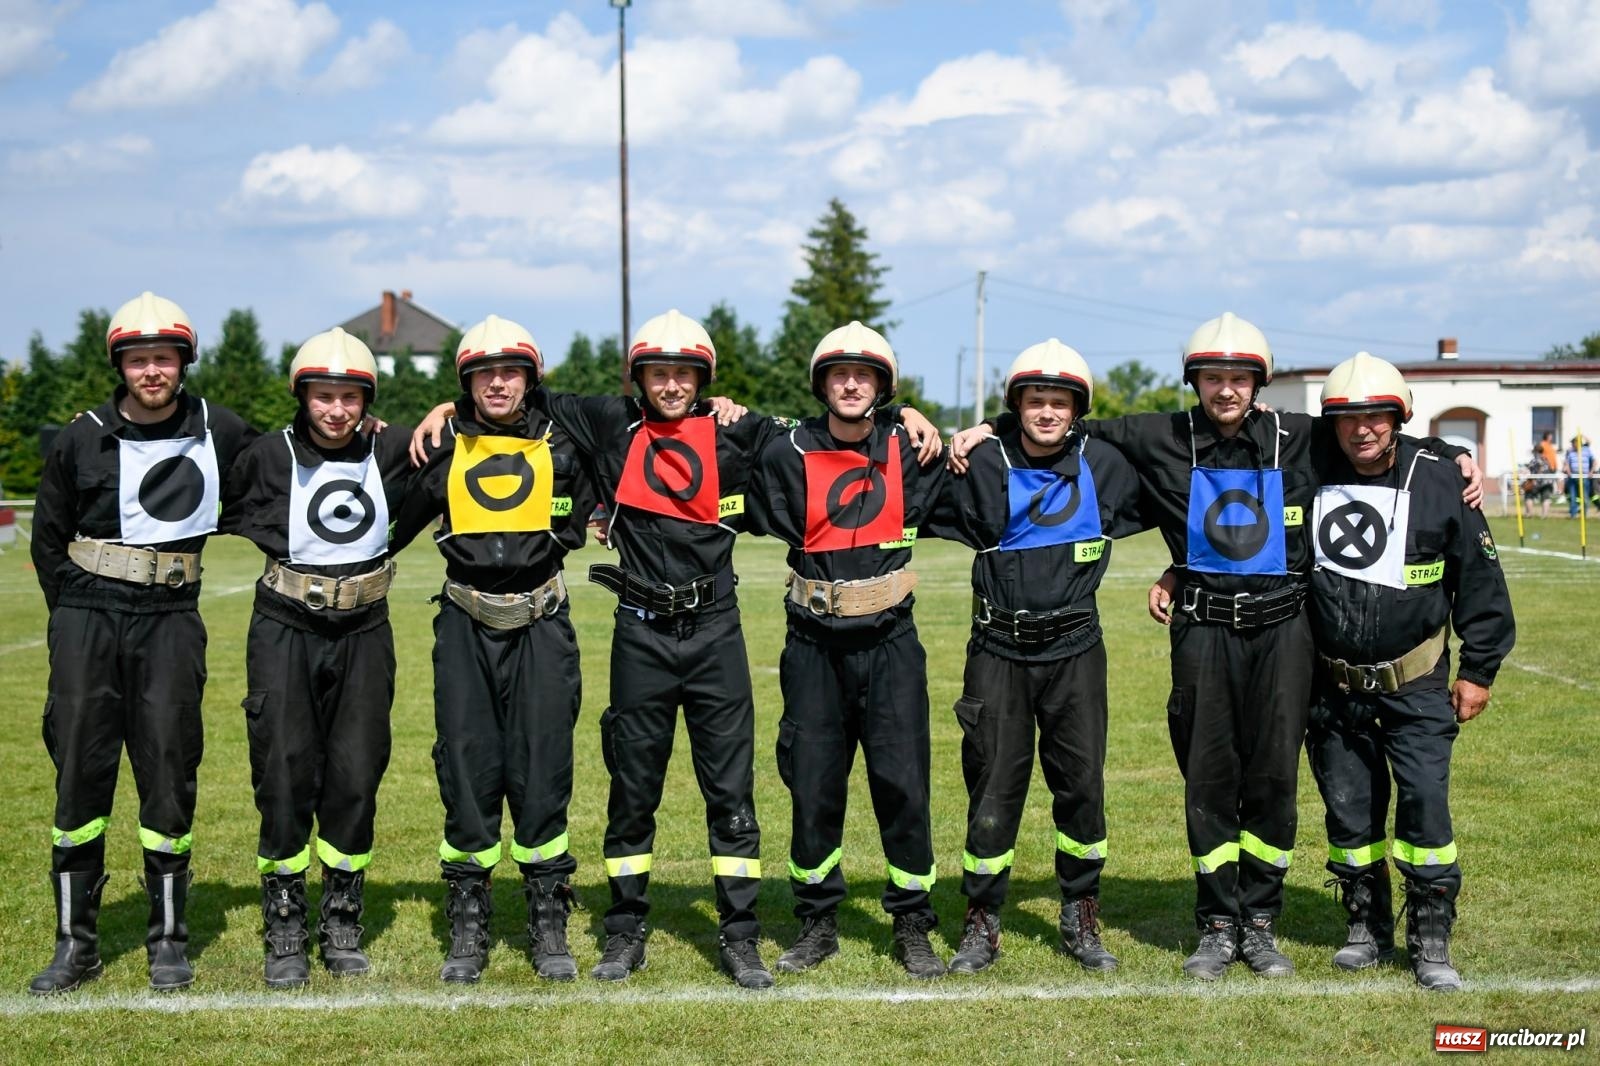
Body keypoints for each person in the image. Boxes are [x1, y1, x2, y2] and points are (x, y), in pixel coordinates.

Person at [950, 311, 1479, 981]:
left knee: (1273, 782)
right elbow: (1066, 424)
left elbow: (1370, 436)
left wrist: (1447, 452)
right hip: (1202, 632)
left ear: (1257, 382)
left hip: (1284, 633)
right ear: (1194, 382)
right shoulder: (1164, 436)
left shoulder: (1300, 438)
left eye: (1238, 378)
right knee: (1208, 779)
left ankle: (1259, 923)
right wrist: (988, 427)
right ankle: (1216, 923)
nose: (1225, 390)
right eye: (1212, 378)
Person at [28, 292, 255, 994]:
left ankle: (168, 941)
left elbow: (295, 459)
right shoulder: (81, 436)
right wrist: (75, 617)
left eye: (163, 358)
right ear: (119, 365)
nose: (151, 371)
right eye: (137, 359)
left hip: (170, 618)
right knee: (80, 770)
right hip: (89, 618)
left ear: (183, 362)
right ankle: (77, 944)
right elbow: (47, 540)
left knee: (167, 767)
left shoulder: (223, 428)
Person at [390, 315, 600, 984]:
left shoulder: (571, 439)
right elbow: (380, 511)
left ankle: (547, 919)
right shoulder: (441, 445)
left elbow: (661, 416)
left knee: (543, 772)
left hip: (542, 623)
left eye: (511, 371)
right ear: (466, 382)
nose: (498, 383)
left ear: (530, 378)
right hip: (464, 624)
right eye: (484, 373)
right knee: (467, 770)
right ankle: (469, 921)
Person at [922, 340, 1143, 975]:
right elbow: (902, 469)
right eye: (1033, 400)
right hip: (997, 651)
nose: (1046, 412)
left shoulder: (1107, 463)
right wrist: (927, 421)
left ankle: (1081, 914)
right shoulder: (981, 463)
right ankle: (982, 919)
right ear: (1015, 405)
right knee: (992, 787)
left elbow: (1181, 486)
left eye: (1059, 401)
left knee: (1081, 787)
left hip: (1077, 650)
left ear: (1078, 409)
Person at [1304, 352, 1514, 990]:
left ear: (1399, 419)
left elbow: (1480, 582)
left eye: (1378, 416)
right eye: (1348, 418)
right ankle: (1365, 920)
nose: (1362, 429)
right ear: (1331, 424)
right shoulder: (1307, 471)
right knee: (1349, 814)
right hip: (1331, 687)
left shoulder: (1441, 478)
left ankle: (1431, 931)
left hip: (1417, 685)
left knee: (1424, 808)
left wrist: (1477, 670)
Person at [747, 322, 950, 979]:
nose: (852, 384)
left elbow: (1005, 444)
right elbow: (710, 441)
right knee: (813, 786)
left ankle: (913, 922)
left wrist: (963, 428)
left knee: (903, 785)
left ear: (884, 388)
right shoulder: (789, 449)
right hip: (811, 642)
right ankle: (817, 921)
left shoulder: (911, 447)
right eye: (839, 375)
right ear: (822, 385)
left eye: (865, 376)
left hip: (891, 641)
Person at [219, 328, 412, 987]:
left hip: (365, 628)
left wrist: (447, 410)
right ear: (303, 398)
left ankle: (340, 914)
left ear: (367, 400)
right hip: (284, 626)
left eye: (349, 396)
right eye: (323, 396)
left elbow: (476, 429)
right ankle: (284, 921)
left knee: (357, 772)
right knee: (282, 769)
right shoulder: (264, 455)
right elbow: (190, 453)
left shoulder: (391, 448)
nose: (336, 409)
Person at [1563, 435, 1596, 518]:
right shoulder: (1570, 452)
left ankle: (1584, 515)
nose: (1573, 445)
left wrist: (1591, 471)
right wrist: (1568, 471)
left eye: (1574, 443)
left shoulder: (1586, 450)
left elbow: (1594, 461)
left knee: (1585, 496)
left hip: (1584, 477)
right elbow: (1566, 463)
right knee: (1573, 497)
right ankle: (1573, 515)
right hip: (1573, 477)